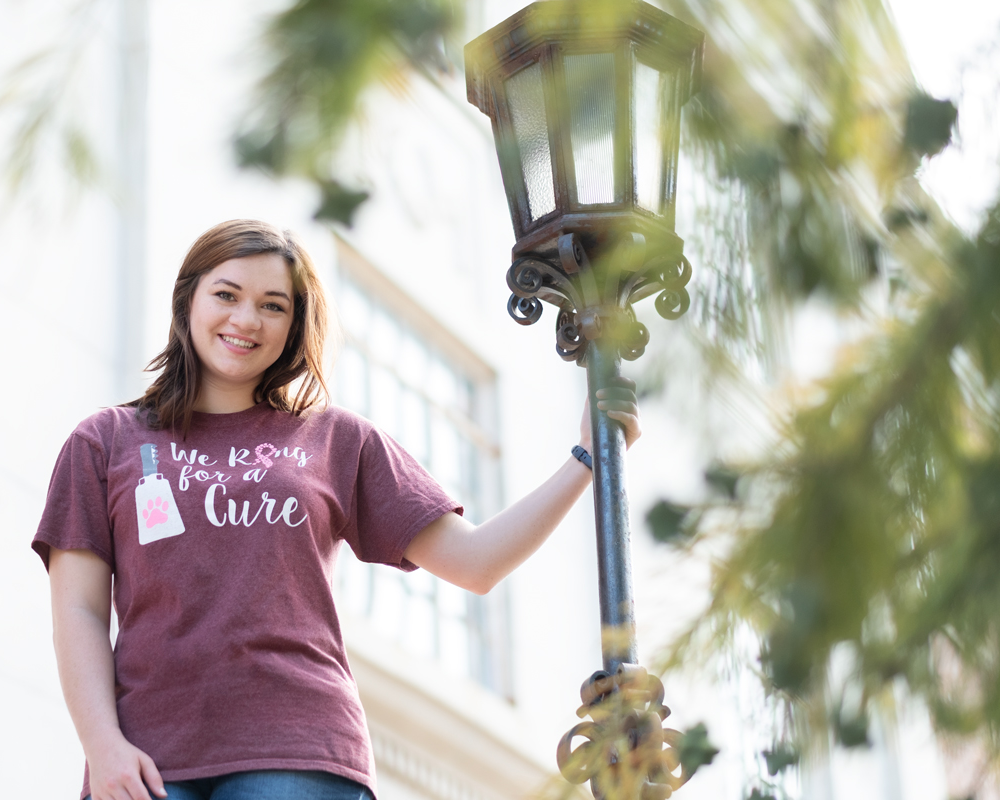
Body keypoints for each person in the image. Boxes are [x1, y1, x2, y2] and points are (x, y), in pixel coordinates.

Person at [32, 220, 640, 800]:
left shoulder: (334, 440)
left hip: (300, 751)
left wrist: (587, 458)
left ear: (295, 324)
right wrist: (101, 744)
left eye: (274, 305)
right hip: (145, 756)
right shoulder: (107, 442)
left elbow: (475, 562)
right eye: (227, 294)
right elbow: (80, 612)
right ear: (188, 300)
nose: (246, 319)